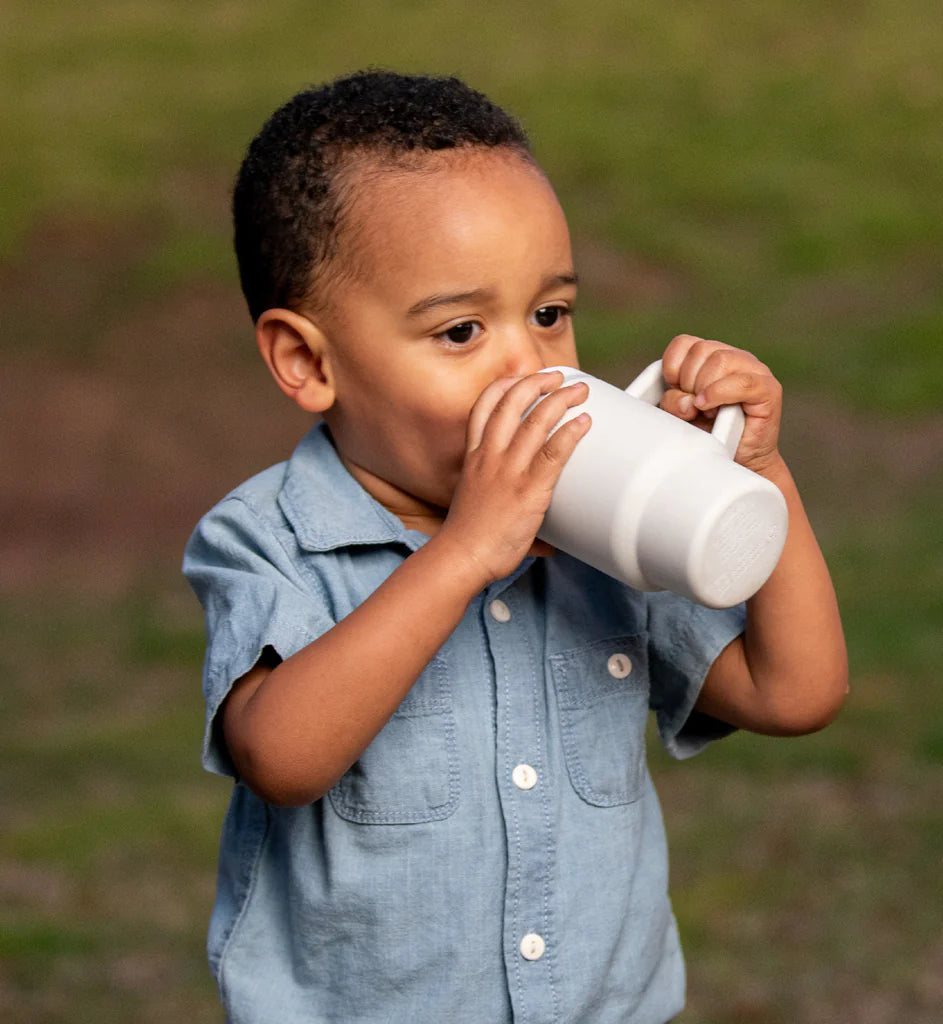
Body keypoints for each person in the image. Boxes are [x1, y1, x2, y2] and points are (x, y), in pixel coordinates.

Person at [183, 69, 847, 1024]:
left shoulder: (600, 526)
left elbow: (796, 693)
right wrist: (463, 554)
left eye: (549, 314)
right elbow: (280, 757)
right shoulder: (270, 538)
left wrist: (760, 475)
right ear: (308, 361)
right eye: (460, 330)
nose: (528, 368)